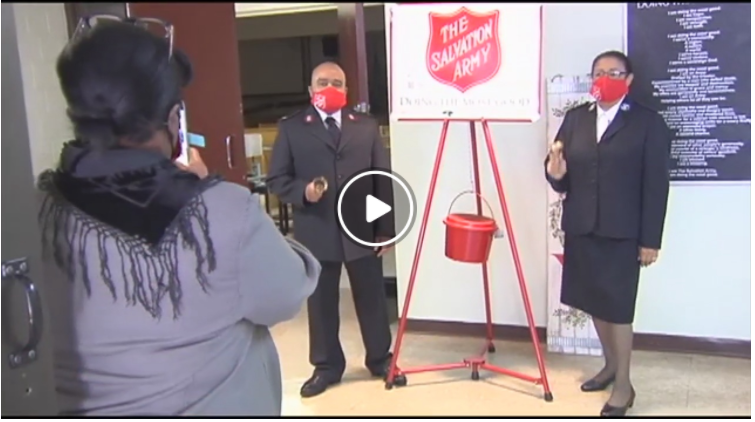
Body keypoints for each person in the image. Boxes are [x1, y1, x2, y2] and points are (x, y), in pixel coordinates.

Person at [37, 17, 321, 416]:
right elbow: (286, 295)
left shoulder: (31, 212)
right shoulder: (222, 213)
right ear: (173, 118)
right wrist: (206, 190)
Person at [545, 50, 671, 417]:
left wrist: (650, 240)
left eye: (614, 73)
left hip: (623, 233)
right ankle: (610, 366)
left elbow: (656, 186)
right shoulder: (576, 119)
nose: (605, 78)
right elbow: (560, 173)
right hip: (582, 227)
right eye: (599, 72)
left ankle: (624, 386)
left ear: (629, 80)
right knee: (593, 302)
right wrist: (555, 173)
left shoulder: (648, 123)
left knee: (618, 309)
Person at [267, 61, 395, 398]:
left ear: (346, 90)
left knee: (371, 297)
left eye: (337, 83)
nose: (330, 88)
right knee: (321, 302)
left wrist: (385, 229)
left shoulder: (365, 127)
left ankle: (380, 359)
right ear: (311, 90)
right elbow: (276, 179)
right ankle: (326, 366)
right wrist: (304, 192)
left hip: (361, 228)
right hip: (317, 228)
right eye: (322, 82)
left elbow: (381, 179)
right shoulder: (293, 128)